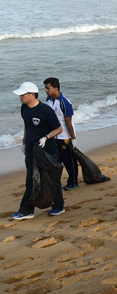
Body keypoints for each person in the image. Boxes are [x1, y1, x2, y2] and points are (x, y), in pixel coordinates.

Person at [11, 82, 65, 220]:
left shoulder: (45, 110)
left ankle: (58, 206)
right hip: (31, 150)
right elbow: (27, 126)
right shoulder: (24, 108)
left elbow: (59, 129)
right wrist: (24, 143)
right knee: (31, 180)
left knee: (52, 179)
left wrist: (46, 138)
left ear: (32, 94)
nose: (20, 97)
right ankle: (27, 210)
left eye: (23, 94)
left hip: (47, 150)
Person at [44, 77, 79, 190]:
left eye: (47, 88)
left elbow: (68, 122)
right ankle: (56, 180)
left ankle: (73, 181)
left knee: (69, 160)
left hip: (65, 137)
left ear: (55, 88)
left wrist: (73, 138)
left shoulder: (64, 103)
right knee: (56, 160)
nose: (46, 90)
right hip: (54, 136)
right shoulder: (48, 100)